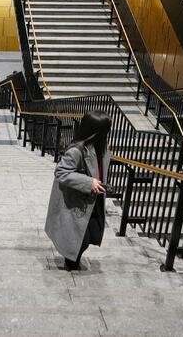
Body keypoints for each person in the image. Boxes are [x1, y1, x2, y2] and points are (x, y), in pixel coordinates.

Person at [45, 112, 112, 271]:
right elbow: (61, 172)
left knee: (92, 233)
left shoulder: (101, 147)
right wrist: (89, 182)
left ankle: (73, 260)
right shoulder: (77, 150)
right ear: (97, 131)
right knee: (82, 238)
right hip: (76, 201)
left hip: (91, 200)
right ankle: (71, 264)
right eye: (107, 129)